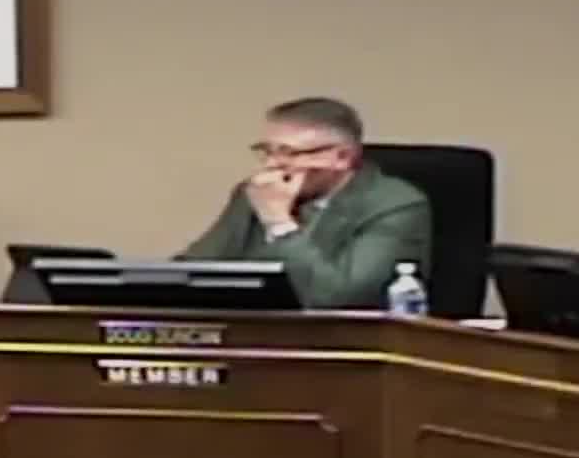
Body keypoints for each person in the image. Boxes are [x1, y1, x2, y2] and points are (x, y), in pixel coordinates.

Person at [179, 97, 430, 310]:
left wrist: (279, 224)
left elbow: (339, 298)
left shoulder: (394, 204)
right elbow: (195, 269)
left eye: (289, 153)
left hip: (343, 342)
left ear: (342, 157)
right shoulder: (255, 194)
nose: (272, 165)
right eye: (267, 151)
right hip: (253, 331)